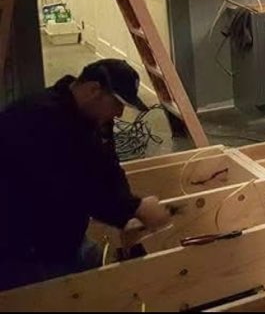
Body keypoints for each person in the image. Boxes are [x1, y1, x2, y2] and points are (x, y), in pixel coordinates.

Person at [0, 59, 172, 291]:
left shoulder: (90, 116)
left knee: (99, 273)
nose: (120, 112)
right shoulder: (39, 119)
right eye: (117, 103)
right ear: (93, 90)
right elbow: (72, 189)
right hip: (25, 245)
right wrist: (132, 208)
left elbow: (107, 166)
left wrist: (129, 213)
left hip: (62, 234)